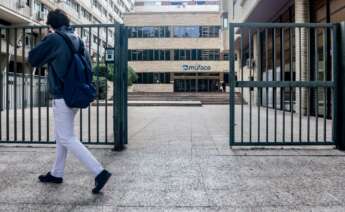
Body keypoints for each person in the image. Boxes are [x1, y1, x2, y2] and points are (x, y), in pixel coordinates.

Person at [28, 9, 111, 194]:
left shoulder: (54, 38)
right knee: (61, 136)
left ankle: (99, 172)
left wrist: (45, 37)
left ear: (51, 25)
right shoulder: (77, 38)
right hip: (75, 93)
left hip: (61, 95)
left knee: (66, 137)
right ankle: (56, 173)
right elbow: (87, 66)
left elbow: (32, 59)